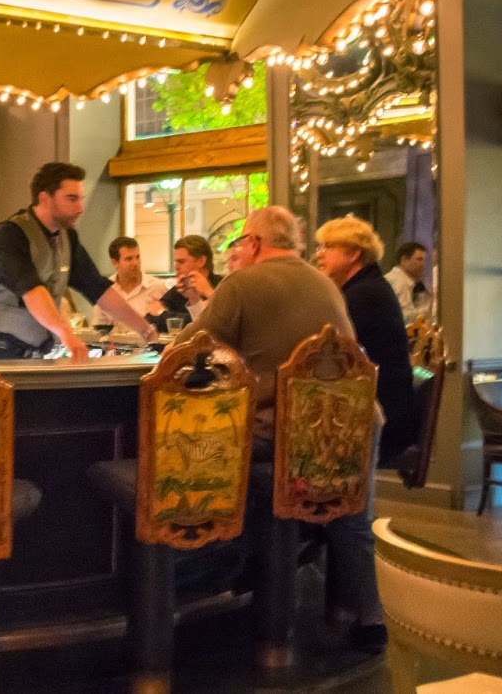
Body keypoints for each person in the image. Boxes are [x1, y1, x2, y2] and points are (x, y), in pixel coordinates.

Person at [189, 206, 385, 651]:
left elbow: (185, 351)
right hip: (354, 424)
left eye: (240, 241)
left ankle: (219, 580)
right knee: (354, 521)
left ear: (254, 244)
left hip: (284, 436)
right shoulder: (326, 283)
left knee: (216, 454)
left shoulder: (241, 284)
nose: (239, 249)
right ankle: (369, 619)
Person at [0, 163, 154, 360]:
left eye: (80, 199)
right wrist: (67, 334)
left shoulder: (68, 237)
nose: (80, 208)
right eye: (71, 199)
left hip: (37, 353)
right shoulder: (9, 235)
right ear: (45, 198)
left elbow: (97, 287)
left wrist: (146, 330)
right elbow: (32, 290)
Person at [316, 218, 418, 462]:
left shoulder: (365, 294)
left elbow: (332, 352)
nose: (319, 255)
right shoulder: (367, 287)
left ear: (353, 254)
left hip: (379, 418)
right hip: (379, 408)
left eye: (327, 247)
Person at [92, 236, 167, 330]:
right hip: (113, 344)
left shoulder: (157, 287)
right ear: (115, 263)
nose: (135, 263)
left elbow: (170, 324)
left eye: (137, 257)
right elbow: (98, 329)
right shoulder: (104, 289)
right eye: (129, 259)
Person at [152, 234, 220, 330]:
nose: (176, 267)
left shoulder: (224, 286)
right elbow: (151, 316)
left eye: (181, 262)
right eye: (175, 262)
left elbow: (219, 322)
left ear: (201, 261)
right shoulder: (180, 289)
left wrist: (163, 314)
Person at [386, 241, 433, 324]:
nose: (423, 264)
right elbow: (404, 318)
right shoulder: (399, 282)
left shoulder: (402, 280)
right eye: (419, 259)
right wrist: (428, 306)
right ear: (404, 260)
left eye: (424, 260)